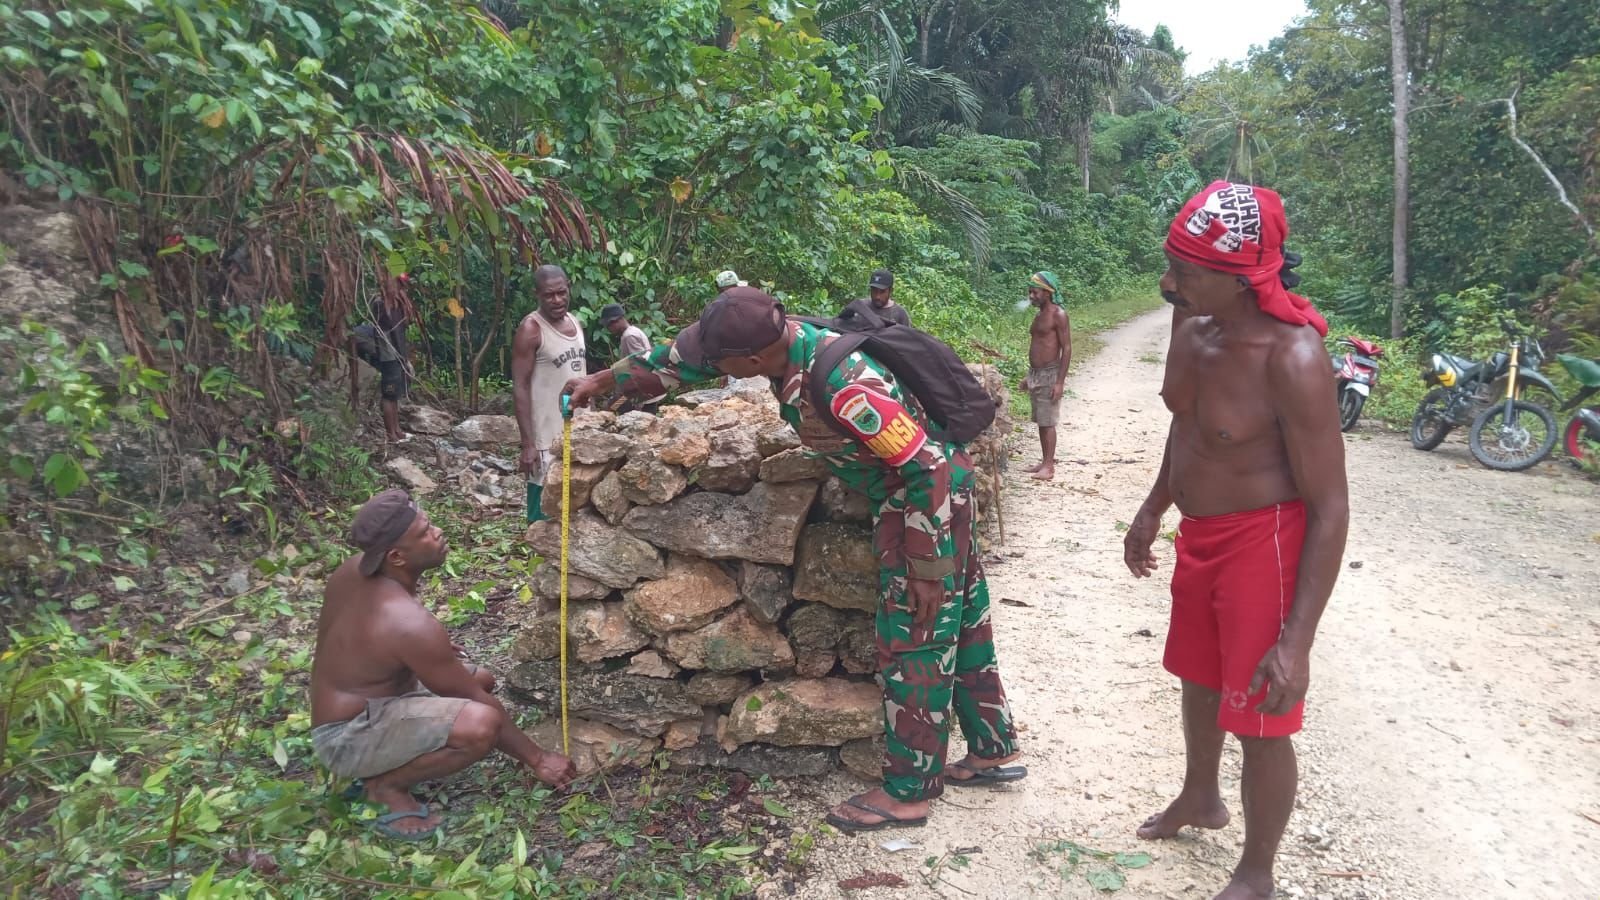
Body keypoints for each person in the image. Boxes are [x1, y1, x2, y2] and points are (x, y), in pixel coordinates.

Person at [565, 287, 1024, 833]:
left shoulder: (846, 387)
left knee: (915, 637)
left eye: (724, 366)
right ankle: (992, 747)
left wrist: (928, 567)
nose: (713, 370)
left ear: (755, 363)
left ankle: (910, 792)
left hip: (925, 500)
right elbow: (680, 358)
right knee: (965, 620)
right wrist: (600, 381)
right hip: (932, 490)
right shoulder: (770, 334)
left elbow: (928, 467)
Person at [1122, 182, 1348, 900]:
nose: (1169, 284)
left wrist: (1298, 639)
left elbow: (1331, 505)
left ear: (1243, 276)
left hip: (1264, 544)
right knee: (1197, 676)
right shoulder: (1193, 329)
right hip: (1201, 535)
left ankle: (1258, 872)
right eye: (1171, 265)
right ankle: (1199, 796)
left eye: (1185, 272)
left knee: (1262, 713)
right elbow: (1186, 427)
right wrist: (1155, 506)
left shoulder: (1293, 359)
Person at [309, 489, 577, 841]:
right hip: (346, 736)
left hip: (361, 701)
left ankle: (389, 764)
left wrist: (413, 652)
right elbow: (476, 702)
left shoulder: (355, 571)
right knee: (482, 724)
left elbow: (354, 635)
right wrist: (538, 758)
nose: (437, 532)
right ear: (396, 556)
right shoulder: (406, 623)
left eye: (430, 523)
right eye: (424, 532)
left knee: (484, 678)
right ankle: (385, 786)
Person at [511, 265, 587, 522]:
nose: (557, 300)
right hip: (545, 439)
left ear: (568, 288)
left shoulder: (575, 322)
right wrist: (528, 444)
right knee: (541, 507)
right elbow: (519, 386)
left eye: (561, 293)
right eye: (549, 295)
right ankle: (536, 560)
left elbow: (580, 375)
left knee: (575, 503)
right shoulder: (531, 329)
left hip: (578, 431)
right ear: (537, 295)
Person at [1021, 271, 1070, 481]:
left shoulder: (1058, 314)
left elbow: (1066, 349)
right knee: (1041, 420)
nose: (1031, 296)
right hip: (1037, 374)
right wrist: (1029, 376)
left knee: (1048, 421)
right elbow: (1039, 345)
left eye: (1035, 292)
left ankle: (1049, 467)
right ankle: (1044, 461)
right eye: (1029, 292)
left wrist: (1059, 382)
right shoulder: (1039, 314)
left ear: (1048, 292)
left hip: (1050, 374)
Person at [599, 303, 660, 413]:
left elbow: (639, 364)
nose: (609, 330)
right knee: (614, 407)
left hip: (640, 391)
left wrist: (630, 394)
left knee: (613, 408)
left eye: (609, 326)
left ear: (616, 321)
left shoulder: (629, 336)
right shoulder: (633, 331)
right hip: (643, 390)